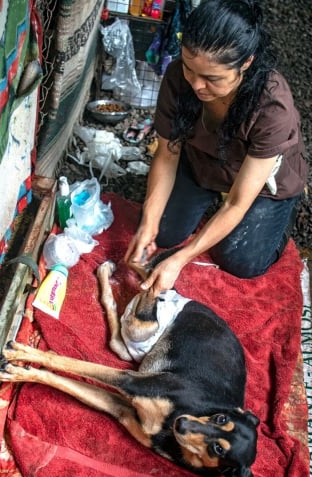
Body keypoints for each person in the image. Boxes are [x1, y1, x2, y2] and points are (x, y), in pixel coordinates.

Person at [124, 0, 309, 296]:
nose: (196, 85)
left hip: (261, 182)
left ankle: (278, 216)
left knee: (238, 259)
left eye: (212, 79)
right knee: (164, 231)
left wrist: (180, 259)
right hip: (203, 162)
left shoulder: (272, 107)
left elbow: (237, 201)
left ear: (246, 63)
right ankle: (201, 202)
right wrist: (149, 220)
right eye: (188, 68)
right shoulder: (178, 78)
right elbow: (167, 154)